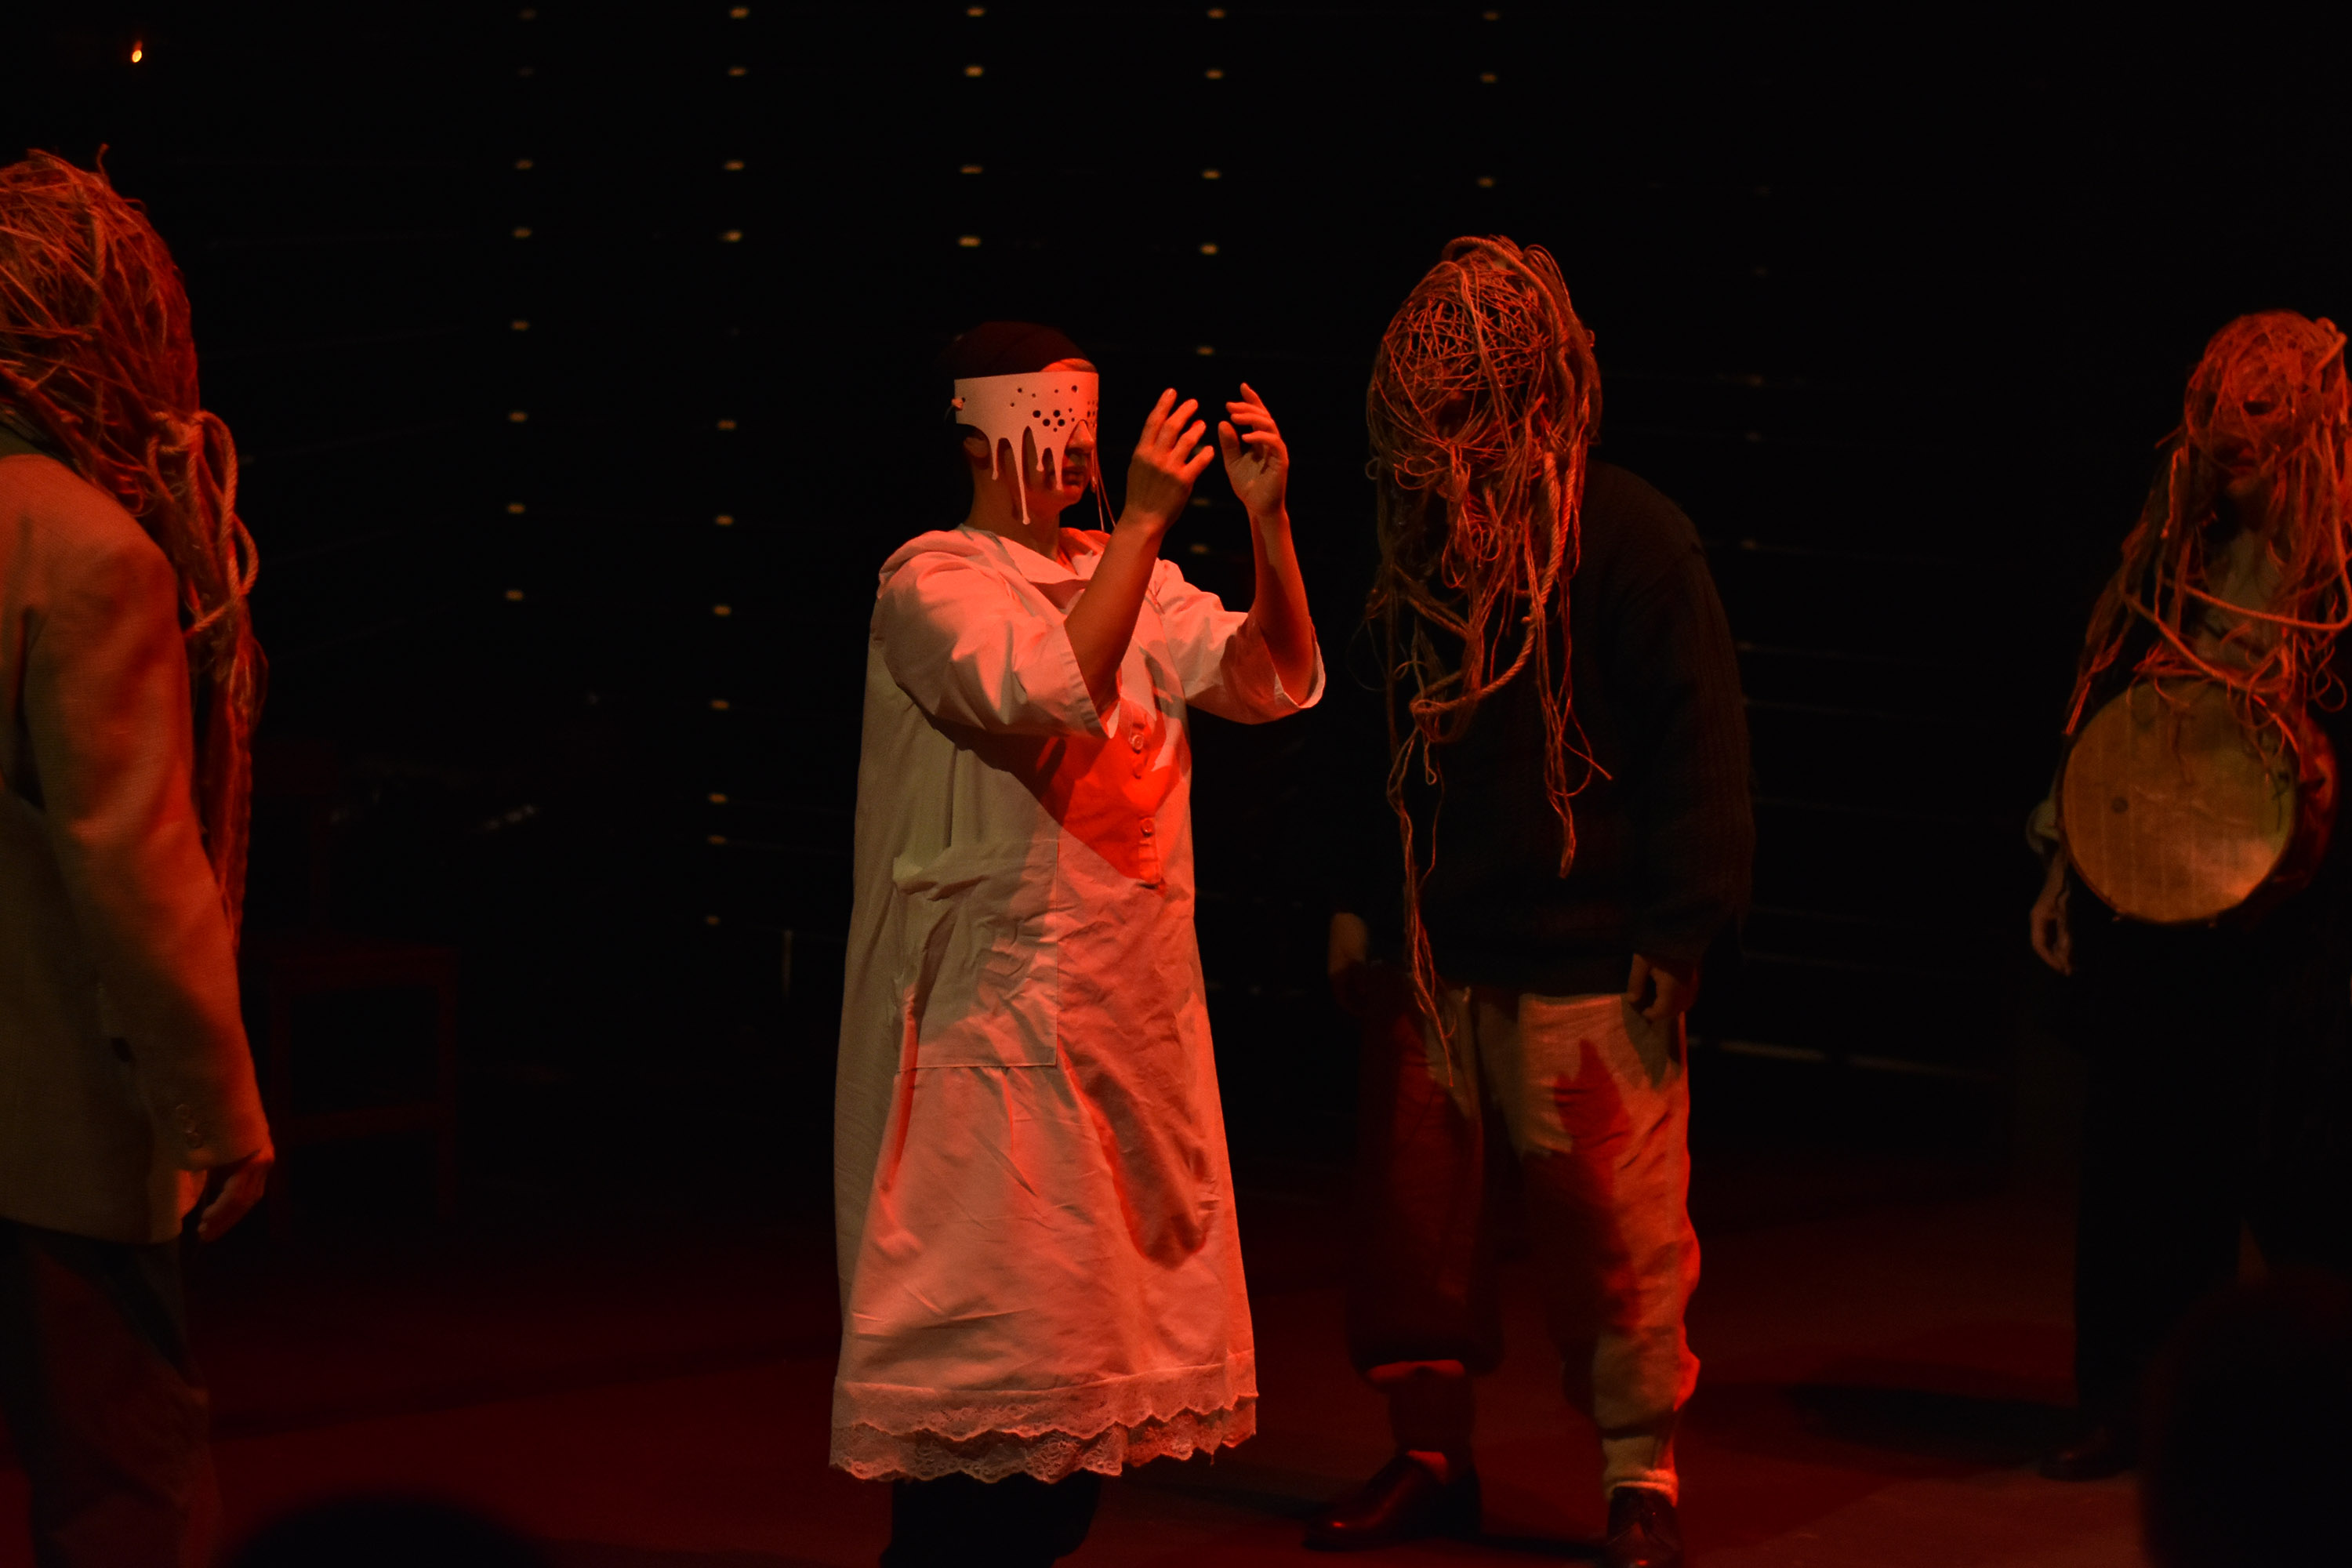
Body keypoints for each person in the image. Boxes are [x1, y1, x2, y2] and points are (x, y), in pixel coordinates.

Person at [830, 321, 1321, 1566]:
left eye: (1082, 429)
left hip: (1120, 1033)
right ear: (975, 434)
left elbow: (1265, 676)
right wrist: (1146, 522)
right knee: (981, 1401)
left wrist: (1266, 521)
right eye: (1045, 425)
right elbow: (1041, 686)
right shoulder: (933, 581)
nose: (1075, 454)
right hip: (987, 1034)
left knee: (1084, 1413)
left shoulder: (1128, 571)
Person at [1310, 238, 1751, 1568]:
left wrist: (1681, 926)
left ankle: (1641, 1474)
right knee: (1415, 1231)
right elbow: (1371, 737)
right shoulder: (1413, 547)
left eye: (1471, 410)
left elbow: (1700, 744)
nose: (1448, 448)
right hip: (1434, 951)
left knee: (1615, 1234)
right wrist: (1356, 900)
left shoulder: (1629, 536)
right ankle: (1430, 1455)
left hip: (1586, 954)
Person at [0, 154, 274, 1565]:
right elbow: (135, 866)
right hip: (45, 1127)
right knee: (122, 1487)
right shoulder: (88, 549)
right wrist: (219, 1109)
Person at [2027, 310, 2352, 1480]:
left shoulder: (2340, 587)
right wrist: (2065, 863)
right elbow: (2099, 709)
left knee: (2308, 1176)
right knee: (2143, 1164)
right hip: (2159, 915)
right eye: (2220, 405)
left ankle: (2316, 1411)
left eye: (2263, 409)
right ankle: (2131, 1400)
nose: (2233, 430)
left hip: (2302, 935)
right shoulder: (2165, 558)